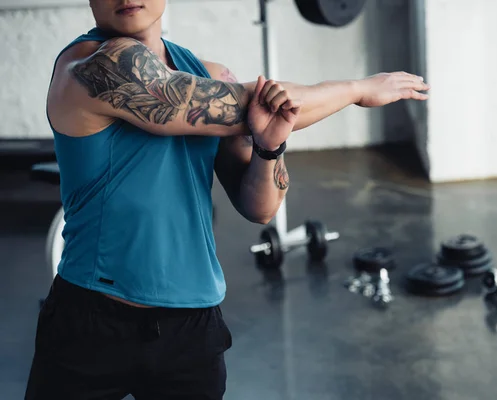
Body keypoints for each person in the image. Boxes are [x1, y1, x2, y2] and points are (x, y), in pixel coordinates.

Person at [24, 0, 430, 399]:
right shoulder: (93, 68)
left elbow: (260, 207)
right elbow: (250, 104)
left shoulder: (207, 74)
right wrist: (357, 88)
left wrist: (269, 149)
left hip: (191, 323)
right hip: (92, 321)